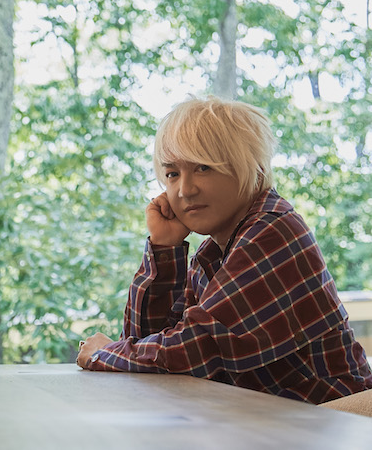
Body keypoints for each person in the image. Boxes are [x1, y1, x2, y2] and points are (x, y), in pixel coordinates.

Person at [76, 96, 372, 404]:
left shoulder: (273, 231)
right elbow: (146, 343)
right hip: (271, 422)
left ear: (252, 167)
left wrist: (102, 354)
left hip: (338, 422)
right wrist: (165, 247)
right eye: (172, 173)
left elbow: (194, 350)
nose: (184, 190)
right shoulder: (213, 252)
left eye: (203, 167)